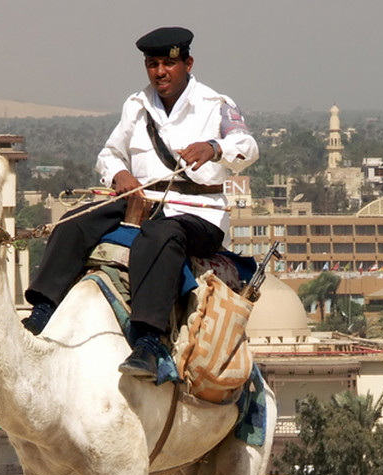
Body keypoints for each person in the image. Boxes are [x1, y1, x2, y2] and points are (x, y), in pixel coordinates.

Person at [22, 26, 258, 381]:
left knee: (159, 237)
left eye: (168, 63)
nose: (160, 72)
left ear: (188, 63)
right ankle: (43, 308)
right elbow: (110, 155)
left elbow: (248, 146)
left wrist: (214, 148)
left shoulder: (217, 105)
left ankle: (149, 341)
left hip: (197, 213)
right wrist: (120, 177)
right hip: (143, 200)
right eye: (153, 64)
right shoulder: (136, 106)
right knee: (74, 221)